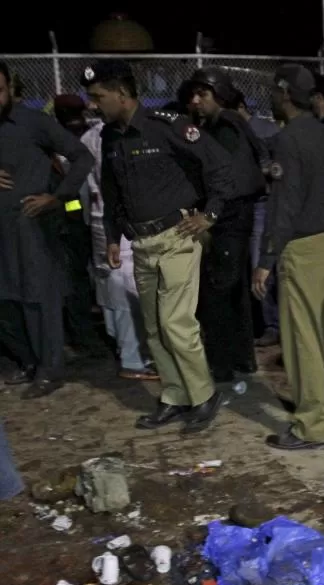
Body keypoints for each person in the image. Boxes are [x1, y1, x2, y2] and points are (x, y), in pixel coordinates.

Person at [84, 59, 232, 433]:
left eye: (98, 97)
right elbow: (112, 189)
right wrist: (115, 237)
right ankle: (175, 396)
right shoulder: (110, 136)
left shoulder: (166, 126)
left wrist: (210, 215)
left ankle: (204, 396)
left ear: (121, 94)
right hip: (140, 243)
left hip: (177, 238)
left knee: (175, 323)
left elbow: (219, 165)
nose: (93, 104)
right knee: (153, 329)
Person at [253, 64, 324, 451]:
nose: (271, 99)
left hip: (304, 247)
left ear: (284, 95)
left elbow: (284, 205)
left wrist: (265, 258)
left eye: (274, 94)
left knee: (303, 339)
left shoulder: (288, 140)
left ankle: (311, 425)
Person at [0, 63, 94, 399]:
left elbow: (82, 157)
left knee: (39, 299)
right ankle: (26, 361)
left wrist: (57, 198)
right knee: (7, 302)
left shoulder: (33, 123)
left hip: (32, 228)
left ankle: (49, 369)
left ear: (10, 87)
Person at [187, 67, 266, 384]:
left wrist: (212, 214)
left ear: (218, 95)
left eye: (202, 94)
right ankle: (241, 358)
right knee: (233, 290)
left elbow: (226, 177)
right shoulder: (231, 123)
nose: (195, 101)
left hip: (229, 217)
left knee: (216, 291)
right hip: (236, 215)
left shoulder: (225, 128)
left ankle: (222, 364)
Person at [80, 103, 157, 380]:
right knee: (127, 286)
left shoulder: (89, 138)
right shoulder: (118, 136)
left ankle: (122, 344)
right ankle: (134, 358)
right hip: (121, 221)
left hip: (100, 218)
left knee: (108, 281)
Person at [51, 94, 106, 359]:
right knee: (85, 277)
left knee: (81, 277)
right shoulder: (86, 135)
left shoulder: (64, 138)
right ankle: (86, 334)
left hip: (77, 217)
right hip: (81, 216)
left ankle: (85, 333)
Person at [233, 91, 282, 348]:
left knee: (262, 266)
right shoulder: (234, 130)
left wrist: (262, 170)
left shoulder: (264, 129)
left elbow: (279, 167)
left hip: (265, 203)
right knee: (254, 267)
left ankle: (274, 325)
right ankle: (267, 323)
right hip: (245, 204)